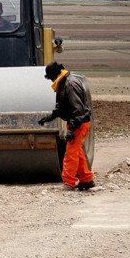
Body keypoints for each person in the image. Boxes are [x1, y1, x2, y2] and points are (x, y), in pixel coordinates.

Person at [39, 62, 95, 191]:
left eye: (51, 77)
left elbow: (78, 110)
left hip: (79, 123)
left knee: (70, 153)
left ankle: (69, 182)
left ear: (55, 75)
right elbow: (65, 107)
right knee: (78, 151)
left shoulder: (70, 84)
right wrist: (51, 117)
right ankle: (86, 180)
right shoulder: (64, 82)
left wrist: (72, 129)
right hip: (78, 122)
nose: (51, 81)